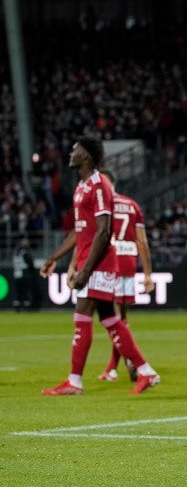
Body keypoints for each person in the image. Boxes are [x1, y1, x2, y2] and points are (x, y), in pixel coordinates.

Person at [39, 137, 160, 395]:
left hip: (99, 264)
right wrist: (54, 257)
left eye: (75, 149)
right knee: (111, 320)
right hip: (91, 263)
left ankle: (75, 381)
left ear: (86, 157)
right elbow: (79, 231)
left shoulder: (99, 185)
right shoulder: (82, 187)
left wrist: (85, 271)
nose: (71, 152)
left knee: (83, 317)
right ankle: (147, 372)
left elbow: (104, 231)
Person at [94, 170, 155, 382]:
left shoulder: (104, 205)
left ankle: (119, 365)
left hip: (110, 262)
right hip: (129, 262)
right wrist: (147, 274)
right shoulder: (133, 205)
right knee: (122, 318)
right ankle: (120, 363)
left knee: (113, 318)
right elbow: (142, 242)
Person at [12, 237, 41, 311]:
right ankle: (26, 308)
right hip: (25, 275)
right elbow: (30, 264)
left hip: (16, 275)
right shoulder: (25, 252)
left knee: (18, 293)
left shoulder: (16, 252)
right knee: (26, 293)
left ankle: (17, 308)